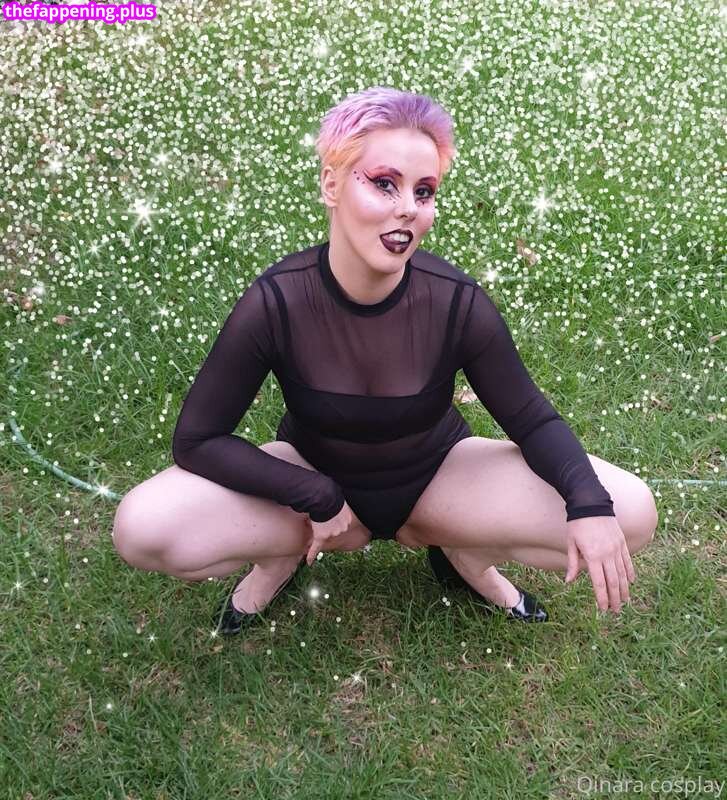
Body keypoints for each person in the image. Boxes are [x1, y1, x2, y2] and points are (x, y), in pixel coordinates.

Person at [111, 87, 658, 636]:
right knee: (144, 526)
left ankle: (467, 556)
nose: (408, 209)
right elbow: (197, 439)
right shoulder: (277, 301)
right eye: (384, 183)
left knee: (629, 511)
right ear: (331, 184)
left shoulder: (456, 302)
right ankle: (278, 558)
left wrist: (588, 504)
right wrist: (315, 494)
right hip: (311, 479)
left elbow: (532, 421)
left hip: (438, 482)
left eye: (424, 191)